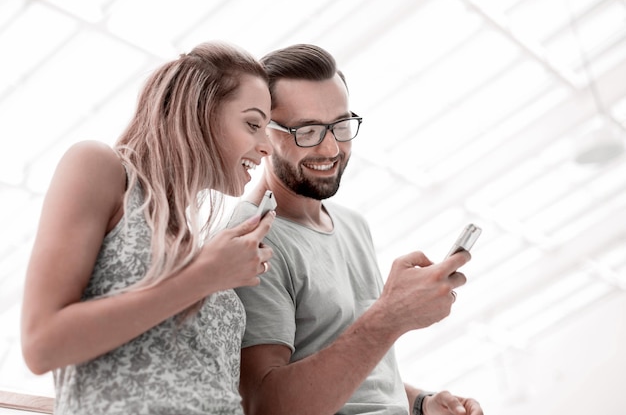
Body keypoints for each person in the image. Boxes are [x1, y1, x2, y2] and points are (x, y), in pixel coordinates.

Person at [20, 41, 276, 415]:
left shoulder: (191, 241)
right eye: (253, 124)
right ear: (199, 112)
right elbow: (41, 345)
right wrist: (203, 276)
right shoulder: (101, 168)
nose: (267, 145)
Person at [229, 44, 484, 415]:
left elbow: (348, 363)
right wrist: (390, 317)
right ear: (263, 132)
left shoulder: (350, 224)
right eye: (309, 130)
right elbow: (266, 406)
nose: (331, 148)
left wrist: (420, 403)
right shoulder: (251, 240)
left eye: (341, 125)